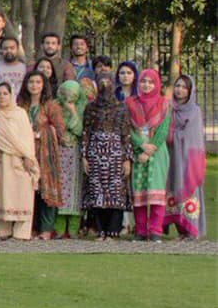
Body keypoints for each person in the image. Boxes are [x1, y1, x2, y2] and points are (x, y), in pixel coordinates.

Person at [82, 78, 132, 240]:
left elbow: (126, 135)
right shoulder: (90, 108)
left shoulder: (121, 108)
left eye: (107, 82)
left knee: (115, 193)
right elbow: (86, 133)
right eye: (101, 83)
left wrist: (127, 158)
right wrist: (84, 156)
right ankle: (101, 230)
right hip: (95, 154)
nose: (105, 86)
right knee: (97, 192)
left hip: (116, 154)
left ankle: (113, 231)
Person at [18, 71, 65, 240]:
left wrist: (42, 133)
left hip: (45, 154)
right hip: (24, 153)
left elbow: (60, 130)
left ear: (44, 84)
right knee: (27, 189)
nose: (34, 86)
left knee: (46, 189)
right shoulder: (20, 104)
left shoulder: (51, 105)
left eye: (38, 82)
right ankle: (29, 227)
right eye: (31, 82)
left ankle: (46, 229)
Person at [0, 83, 40, 240]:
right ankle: (1, 231)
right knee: (2, 193)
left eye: (5, 93)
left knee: (22, 193)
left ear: (11, 95)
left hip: (19, 159)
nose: (2, 97)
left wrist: (28, 157)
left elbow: (27, 138)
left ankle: (22, 232)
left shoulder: (20, 114)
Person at [126, 69, 170, 241]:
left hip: (158, 154)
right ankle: (141, 231)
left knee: (156, 194)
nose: (147, 85)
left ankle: (156, 231)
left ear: (157, 84)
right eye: (144, 81)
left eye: (151, 82)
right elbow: (129, 128)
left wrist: (150, 148)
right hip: (138, 151)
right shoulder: (130, 103)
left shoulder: (164, 103)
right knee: (139, 193)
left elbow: (164, 129)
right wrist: (141, 145)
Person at [166, 74, 206, 239]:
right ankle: (181, 230)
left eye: (184, 87)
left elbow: (192, 137)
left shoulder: (194, 111)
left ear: (190, 91)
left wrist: (171, 133)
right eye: (177, 86)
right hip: (172, 158)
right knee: (173, 191)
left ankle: (191, 230)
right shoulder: (170, 108)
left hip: (189, 160)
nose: (179, 90)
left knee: (188, 192)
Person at [54, 80, 89, 237]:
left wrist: (73, 112)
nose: (69, 97)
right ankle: (59, 227)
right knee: (60, 188)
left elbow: (80, 130)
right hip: (59, 152)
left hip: (75, 153)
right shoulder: (55, 108)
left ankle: (74, 227)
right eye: (66, 93)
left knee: (75, 189)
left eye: (73, 94)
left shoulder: (82, 108)